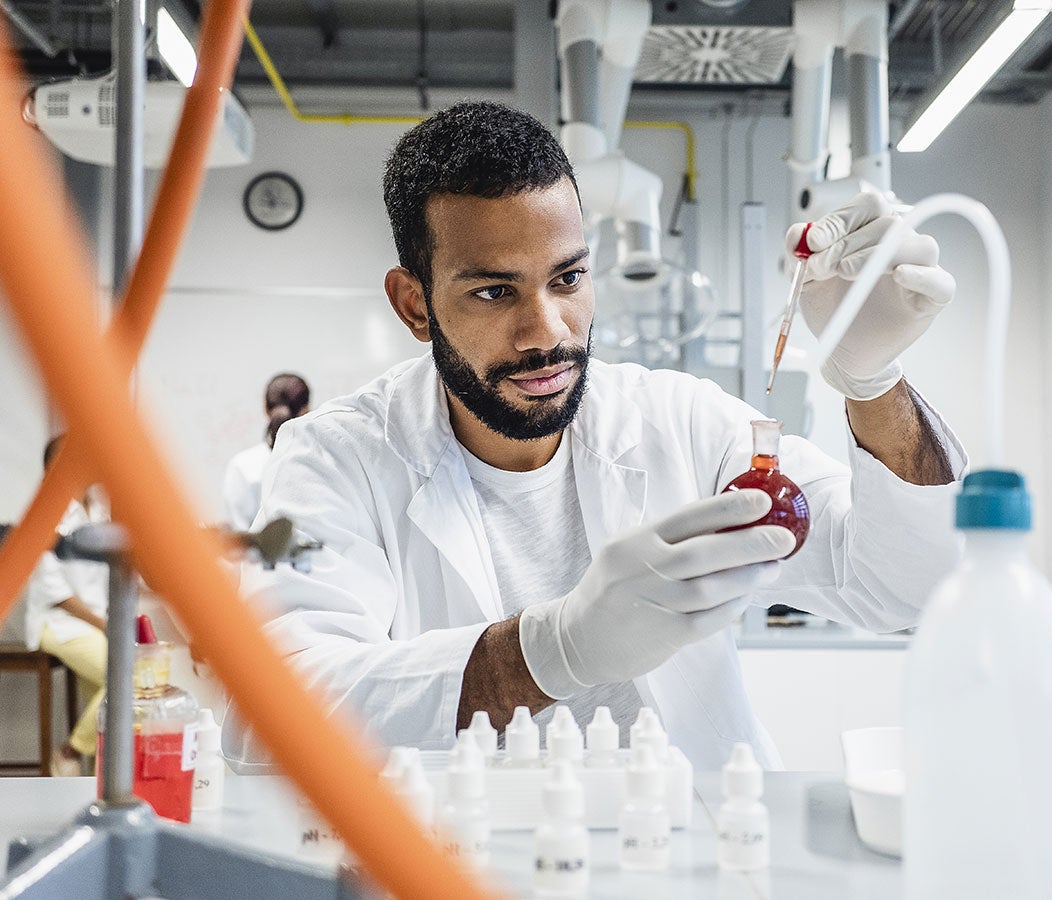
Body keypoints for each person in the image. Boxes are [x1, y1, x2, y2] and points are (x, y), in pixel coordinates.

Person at [226, 101, 964, 772]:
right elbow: (267, 715)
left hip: (692, 856)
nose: (546, 331)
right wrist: (551, 651)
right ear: (414, 304)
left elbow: (909, 588)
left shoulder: (684, 424)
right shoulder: (338, 457)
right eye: (493, 290)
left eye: (568, 279)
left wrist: (875, 382)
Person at [24, 435, 110, 776]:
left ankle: (97, 779)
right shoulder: (48, 515)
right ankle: (70, 752)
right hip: (58, 622)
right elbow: (56, 591)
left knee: (110, 700)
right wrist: (104, 624)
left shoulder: (99, 510)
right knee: (126, 675)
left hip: (95, 623)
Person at [222, 373, 310, 531]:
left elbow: (239, 531)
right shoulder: (319, 460)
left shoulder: (242, 465)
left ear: (265, 408)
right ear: (306, 410)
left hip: (256, 554)